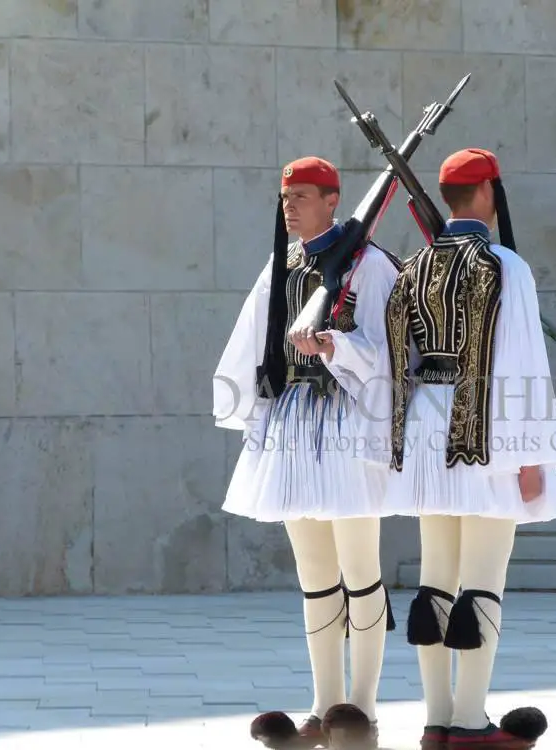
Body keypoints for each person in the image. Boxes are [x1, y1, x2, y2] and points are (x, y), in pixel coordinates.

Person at [382, 148, 556, 749]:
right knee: (484, 578)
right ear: (488, 192)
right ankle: (470, 724)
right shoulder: (504, 266)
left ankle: (436, 721)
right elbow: (522, 364)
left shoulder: (412, 267)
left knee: (436, 579)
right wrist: (532, 453)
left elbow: (397, 362)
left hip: (424, 428)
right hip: (485, 430)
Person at [213, 156, 401, 750]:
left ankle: (363, 708)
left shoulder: (369, 265)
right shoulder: (284, 263)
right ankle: (323, 705)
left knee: (360, 572)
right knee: (316, 577)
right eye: (285, 196)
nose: (289, 205)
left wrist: (333, 345)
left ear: (332, 199)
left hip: (347, 425)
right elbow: (253, 339)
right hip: (294, 424)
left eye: (301, 196)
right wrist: (249, 411)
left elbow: (384, 350)